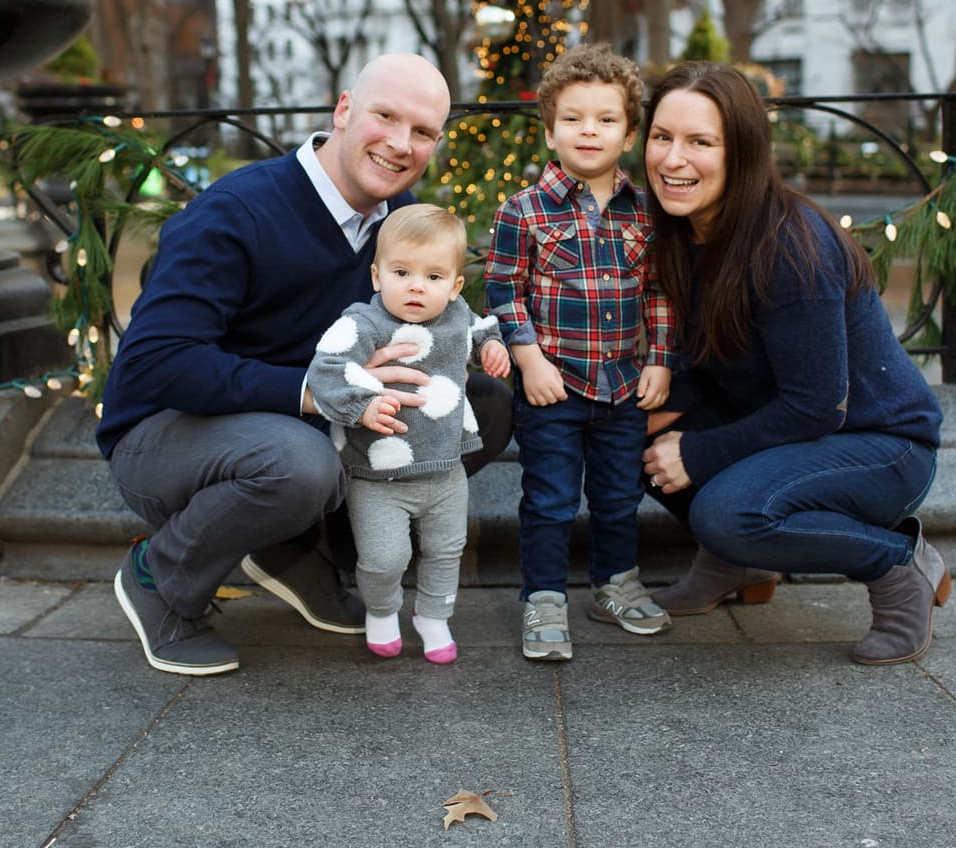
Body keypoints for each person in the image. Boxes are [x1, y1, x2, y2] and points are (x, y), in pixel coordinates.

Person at [99, 53, 514, 676]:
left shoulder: (395, 226)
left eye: (424, 132)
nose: (401, 145)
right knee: (299, 463)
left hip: (294, 426)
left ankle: (301, 555)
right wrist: (323, 393)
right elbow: (156, 364)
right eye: (386, 116)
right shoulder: (238, 210)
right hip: (169, 437)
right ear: (344, 109)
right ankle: (160, 576)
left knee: (474, 405)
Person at [640, 60, 947, 666]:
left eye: (701, 142)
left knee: (730, 510)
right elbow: (709, 364)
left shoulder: (789, 243)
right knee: (615, 426)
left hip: (878, 443)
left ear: (743, 152)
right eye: (661, 137)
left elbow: (817, 406)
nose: (673, 160)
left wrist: (697, 452)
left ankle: (896, 563)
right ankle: (732, 563)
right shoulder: (678, 230)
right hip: (787, 429)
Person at [485, 43, 676, 662]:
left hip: (623, 387)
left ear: (628, 133)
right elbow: (504, 290)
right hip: (553, 389)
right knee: (549, 499)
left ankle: (614, 584)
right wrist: (528, 358)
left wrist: (660, 359)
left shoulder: (645, 214)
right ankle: (542, 598)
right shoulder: (524, 211)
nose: (588, 131)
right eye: (572, 118)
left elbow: (659, 291)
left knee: (620, 496)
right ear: (549, 130)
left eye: (605, 119)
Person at [307, 205, 510, 664]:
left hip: (444, 470)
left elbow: (480, 329)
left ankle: (434, 617)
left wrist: (492, 346)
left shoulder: (456, 313)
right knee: (384, 557)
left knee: (446, 550)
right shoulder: (364, 323)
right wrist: (362, 405)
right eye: (402, 272)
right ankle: (381, 609)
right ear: (378, 276)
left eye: (434, 277)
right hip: (378, 473)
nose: (417, 285)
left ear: (455, 286)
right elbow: (326, 368)